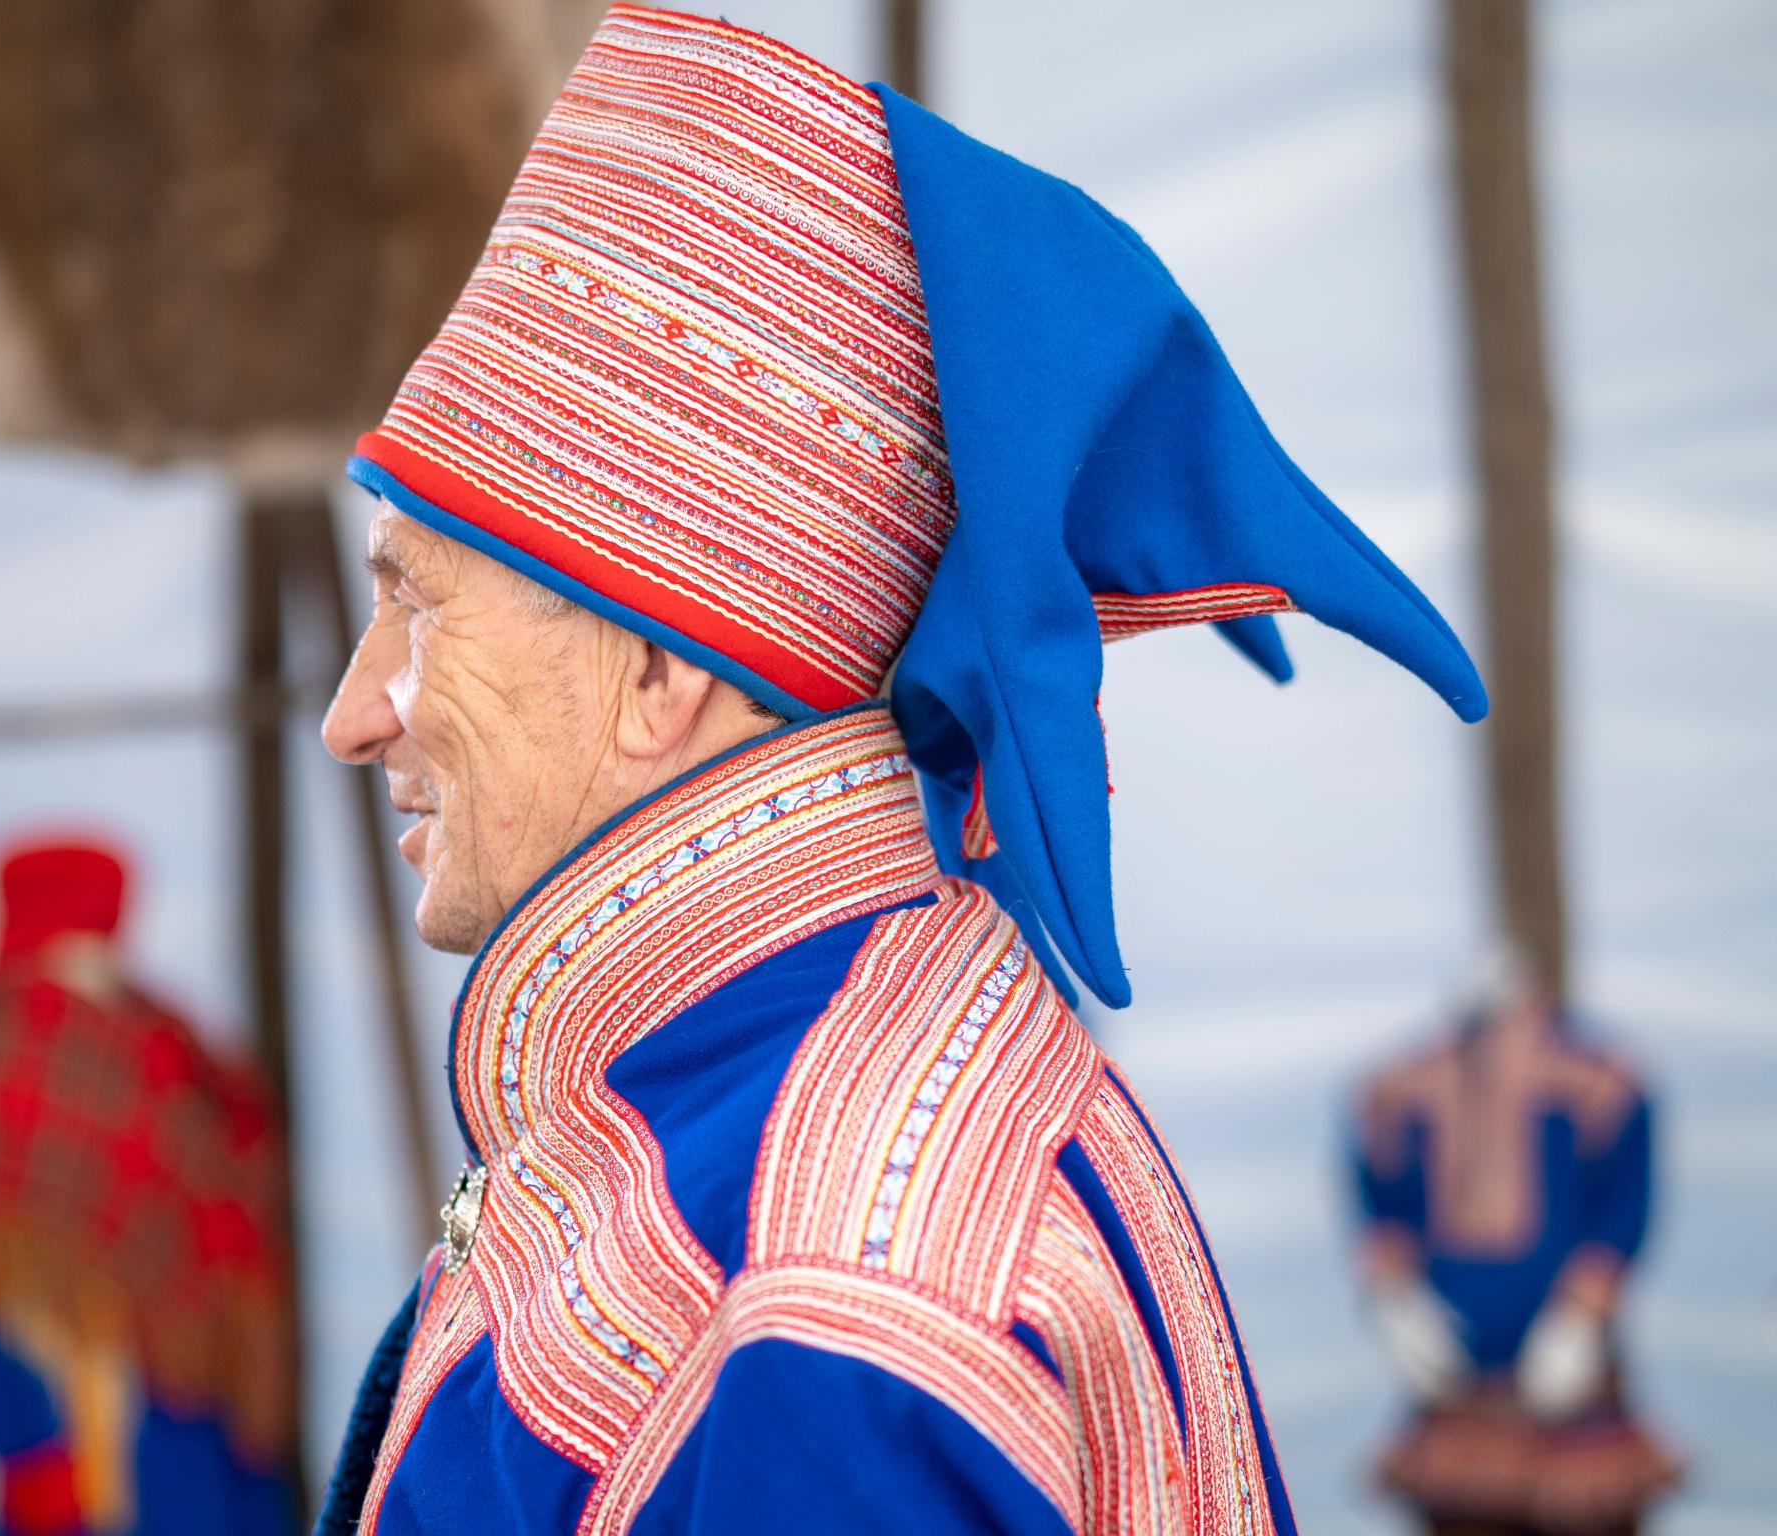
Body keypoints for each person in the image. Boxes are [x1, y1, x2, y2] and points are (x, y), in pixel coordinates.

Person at [316, 8, 1487, 1533]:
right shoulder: (762, 1082)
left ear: (660, 670)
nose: (354, 714)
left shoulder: (827, 1306)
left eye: (416, 600)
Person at [0, 837, 296, 1536]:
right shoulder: (174, 1053)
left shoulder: (22, 1044)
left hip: (120, 1447)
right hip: (162, 1442)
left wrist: (31, 1460)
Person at [1353, 963, 1681, 1536]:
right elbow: (1381, 1204)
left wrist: (1580, 1318)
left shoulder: (1603, 1082)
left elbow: (1624, 1207)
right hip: (1454, 1377)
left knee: (1589, 1515)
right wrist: (1396, 1303)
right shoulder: (1396, 1091)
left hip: (1572, 1377)